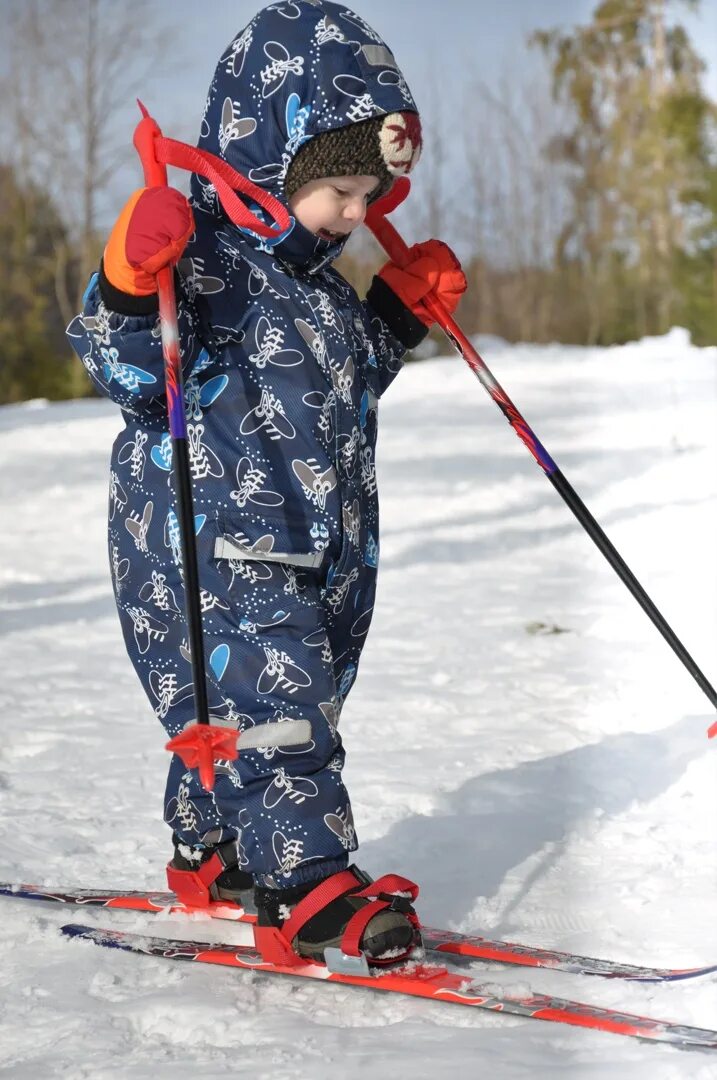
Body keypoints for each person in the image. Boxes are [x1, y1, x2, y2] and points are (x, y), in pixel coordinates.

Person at [67, 0, 466, 966]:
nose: (359, 215)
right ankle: (306, 880)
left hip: (314, 540)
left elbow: (340, 389)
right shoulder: (195, 261)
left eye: (373, 193)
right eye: (341, 188)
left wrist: (394, 317)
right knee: (272, 708)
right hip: (209, 535)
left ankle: (211, 848)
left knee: (271, 701)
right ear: (268, 158)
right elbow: (120, 363)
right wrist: (129, 276)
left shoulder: (317, 291)